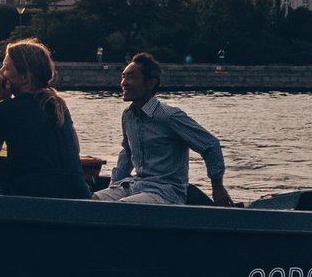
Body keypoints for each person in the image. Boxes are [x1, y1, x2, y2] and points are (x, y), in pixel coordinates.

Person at [95, 52, 232, 206]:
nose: (124, 82)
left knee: (122, 207)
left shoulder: (170, 116)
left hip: (166, 193)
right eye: (123, 76)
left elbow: (210, 145)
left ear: (150, 83)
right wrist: (114, 182)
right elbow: (127, 152)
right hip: (136, 185)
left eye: (131, 77)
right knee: (93, 201)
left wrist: (218, 187)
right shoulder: (128, 116)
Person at [0, 38, 91, 199]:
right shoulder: (58, 105)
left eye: (6, 68)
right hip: (78, 195)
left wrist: (1, 100)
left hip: (38, 199)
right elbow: (74, 148)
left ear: (25, 78)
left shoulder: (5, 109)